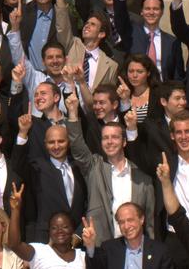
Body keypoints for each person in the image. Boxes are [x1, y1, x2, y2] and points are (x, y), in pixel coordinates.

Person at [66, 100, 155, 240]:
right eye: (105, 138)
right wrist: (72, 113)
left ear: (124, 142)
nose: (109, 142)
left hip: (135, 246)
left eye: (115, 137)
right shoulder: (94, 166)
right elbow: (77, 147)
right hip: (102, 246)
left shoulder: (143, 179)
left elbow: (150, 224)